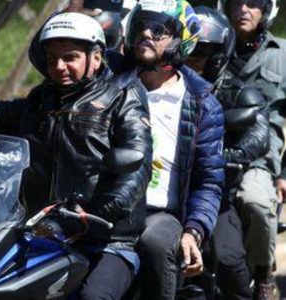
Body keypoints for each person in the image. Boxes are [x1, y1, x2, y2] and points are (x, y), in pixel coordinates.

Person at [0, 12, 152, 299]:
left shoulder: (123, 98)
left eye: (70, 57)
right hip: (38, 234)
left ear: (96, 58)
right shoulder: (40, 100)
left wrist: (98, 211)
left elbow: (137, 166)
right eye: (52, 58)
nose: (59, 66)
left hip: (102, 239)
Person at [93, 1, 225, 299]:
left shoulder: (202, 102)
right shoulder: (108, 78)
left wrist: (194, 230)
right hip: (103, 201)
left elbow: (209, 181)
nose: (146, 34)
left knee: (156, 243)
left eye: (159, 29)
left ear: (182, 38)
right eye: (140, 26)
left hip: (160, 213)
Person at [186, 6, 270, 299]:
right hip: (168, 194)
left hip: (218, 194)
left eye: (203, 52)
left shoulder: (235, 90)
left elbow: (260, 132)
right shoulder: (161, 86)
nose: (194, 59)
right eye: (190, 50)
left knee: (229, 259)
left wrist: (230, 155)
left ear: (219, 54)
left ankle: (260, 281)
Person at [218, 0, 286, 298]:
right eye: (236, 2)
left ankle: (263, 275)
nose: (243, 9)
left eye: (253, 3)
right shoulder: (212, 47)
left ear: (266, 10)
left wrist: (284, 173)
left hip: (262, 156)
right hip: (213, 147)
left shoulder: (282, 54)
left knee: (256, 202)